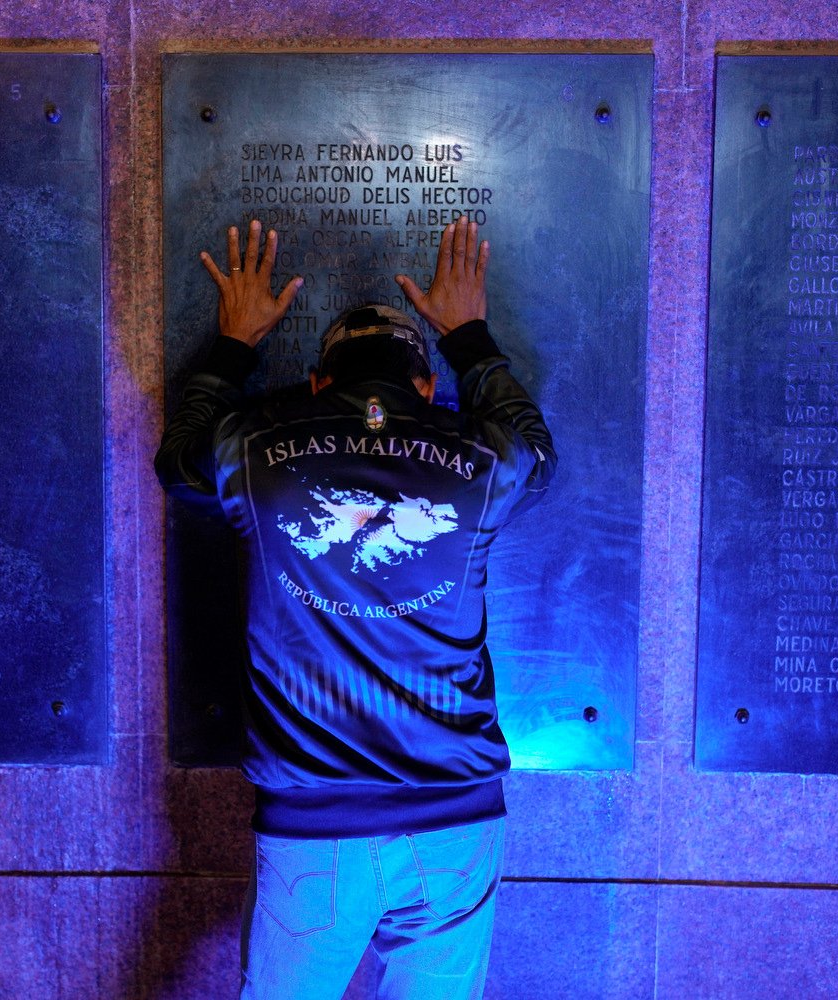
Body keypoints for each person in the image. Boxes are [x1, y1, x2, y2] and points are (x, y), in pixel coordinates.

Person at [155, 215, 555, 1000]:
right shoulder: (477, 456)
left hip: (312, 829)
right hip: (455, 818)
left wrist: (235, 346)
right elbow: (534, 455)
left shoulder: (253, 444)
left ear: (316, 384)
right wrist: (469, 335)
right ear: (426, 387)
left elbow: (178, 461)